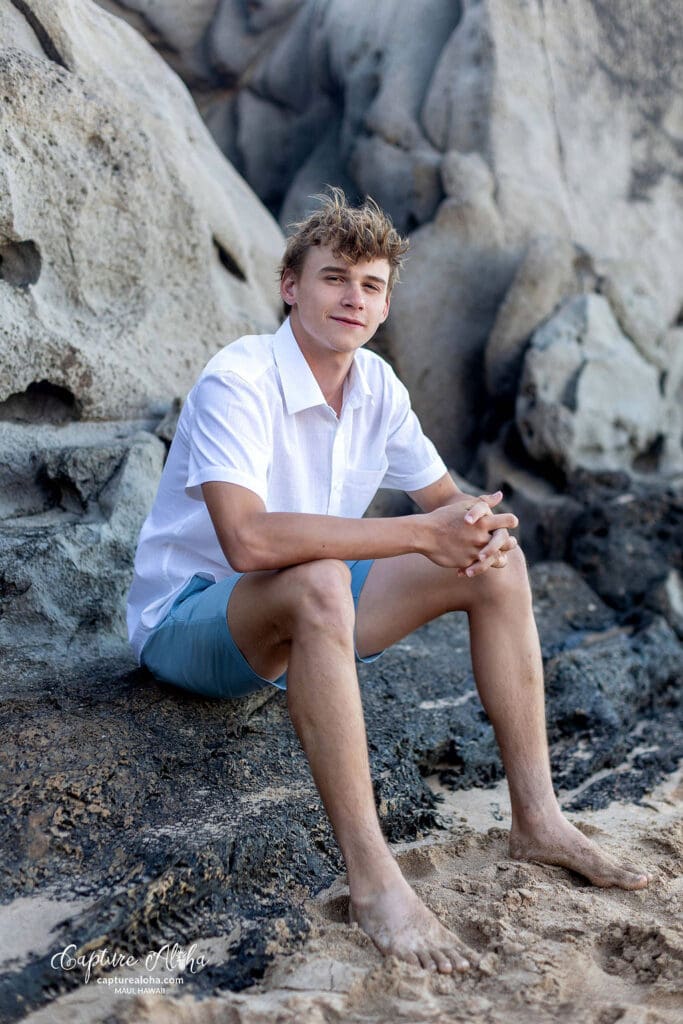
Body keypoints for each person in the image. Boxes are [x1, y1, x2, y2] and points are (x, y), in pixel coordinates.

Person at [127, 189, 651, 976]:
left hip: (311, 612)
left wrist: (480, 526)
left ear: (384, 304)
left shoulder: (375, 387)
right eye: (335, 277)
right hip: (192, 621)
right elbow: (248, 539)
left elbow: (448, 507)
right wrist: (418, 533)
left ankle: (537, 819)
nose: (353, 298)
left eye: (371, 286)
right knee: (321, 583)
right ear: (290, 285)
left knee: (494, 569)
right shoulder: (236, 381)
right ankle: (373, 879)